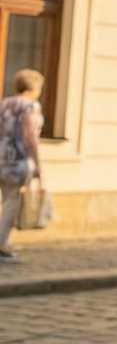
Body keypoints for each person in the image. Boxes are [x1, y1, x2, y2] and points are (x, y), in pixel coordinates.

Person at [0, 68, 48, 263]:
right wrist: (37, 164)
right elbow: (30, 137)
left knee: (5, 200)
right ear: (34, 87)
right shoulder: (30, 106)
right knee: (11, 202)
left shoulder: (4, 103)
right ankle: (1, 246)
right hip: (17, 161)